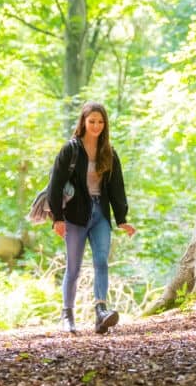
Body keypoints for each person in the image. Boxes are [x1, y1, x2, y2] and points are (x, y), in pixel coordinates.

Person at [48, 101, 137, 334]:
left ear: (104, 124)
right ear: (83, 122)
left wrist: (121, 219)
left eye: (100, 122)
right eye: (92, 121)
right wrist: (57, 218)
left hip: (100, 215)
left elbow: (117, 187)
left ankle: (101, 312)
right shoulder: (71, 149)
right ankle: (67, 314)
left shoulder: (108, 152)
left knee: (101, 261)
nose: (96, 125)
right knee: (74, 267)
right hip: (75, 215)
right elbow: (55, 185)